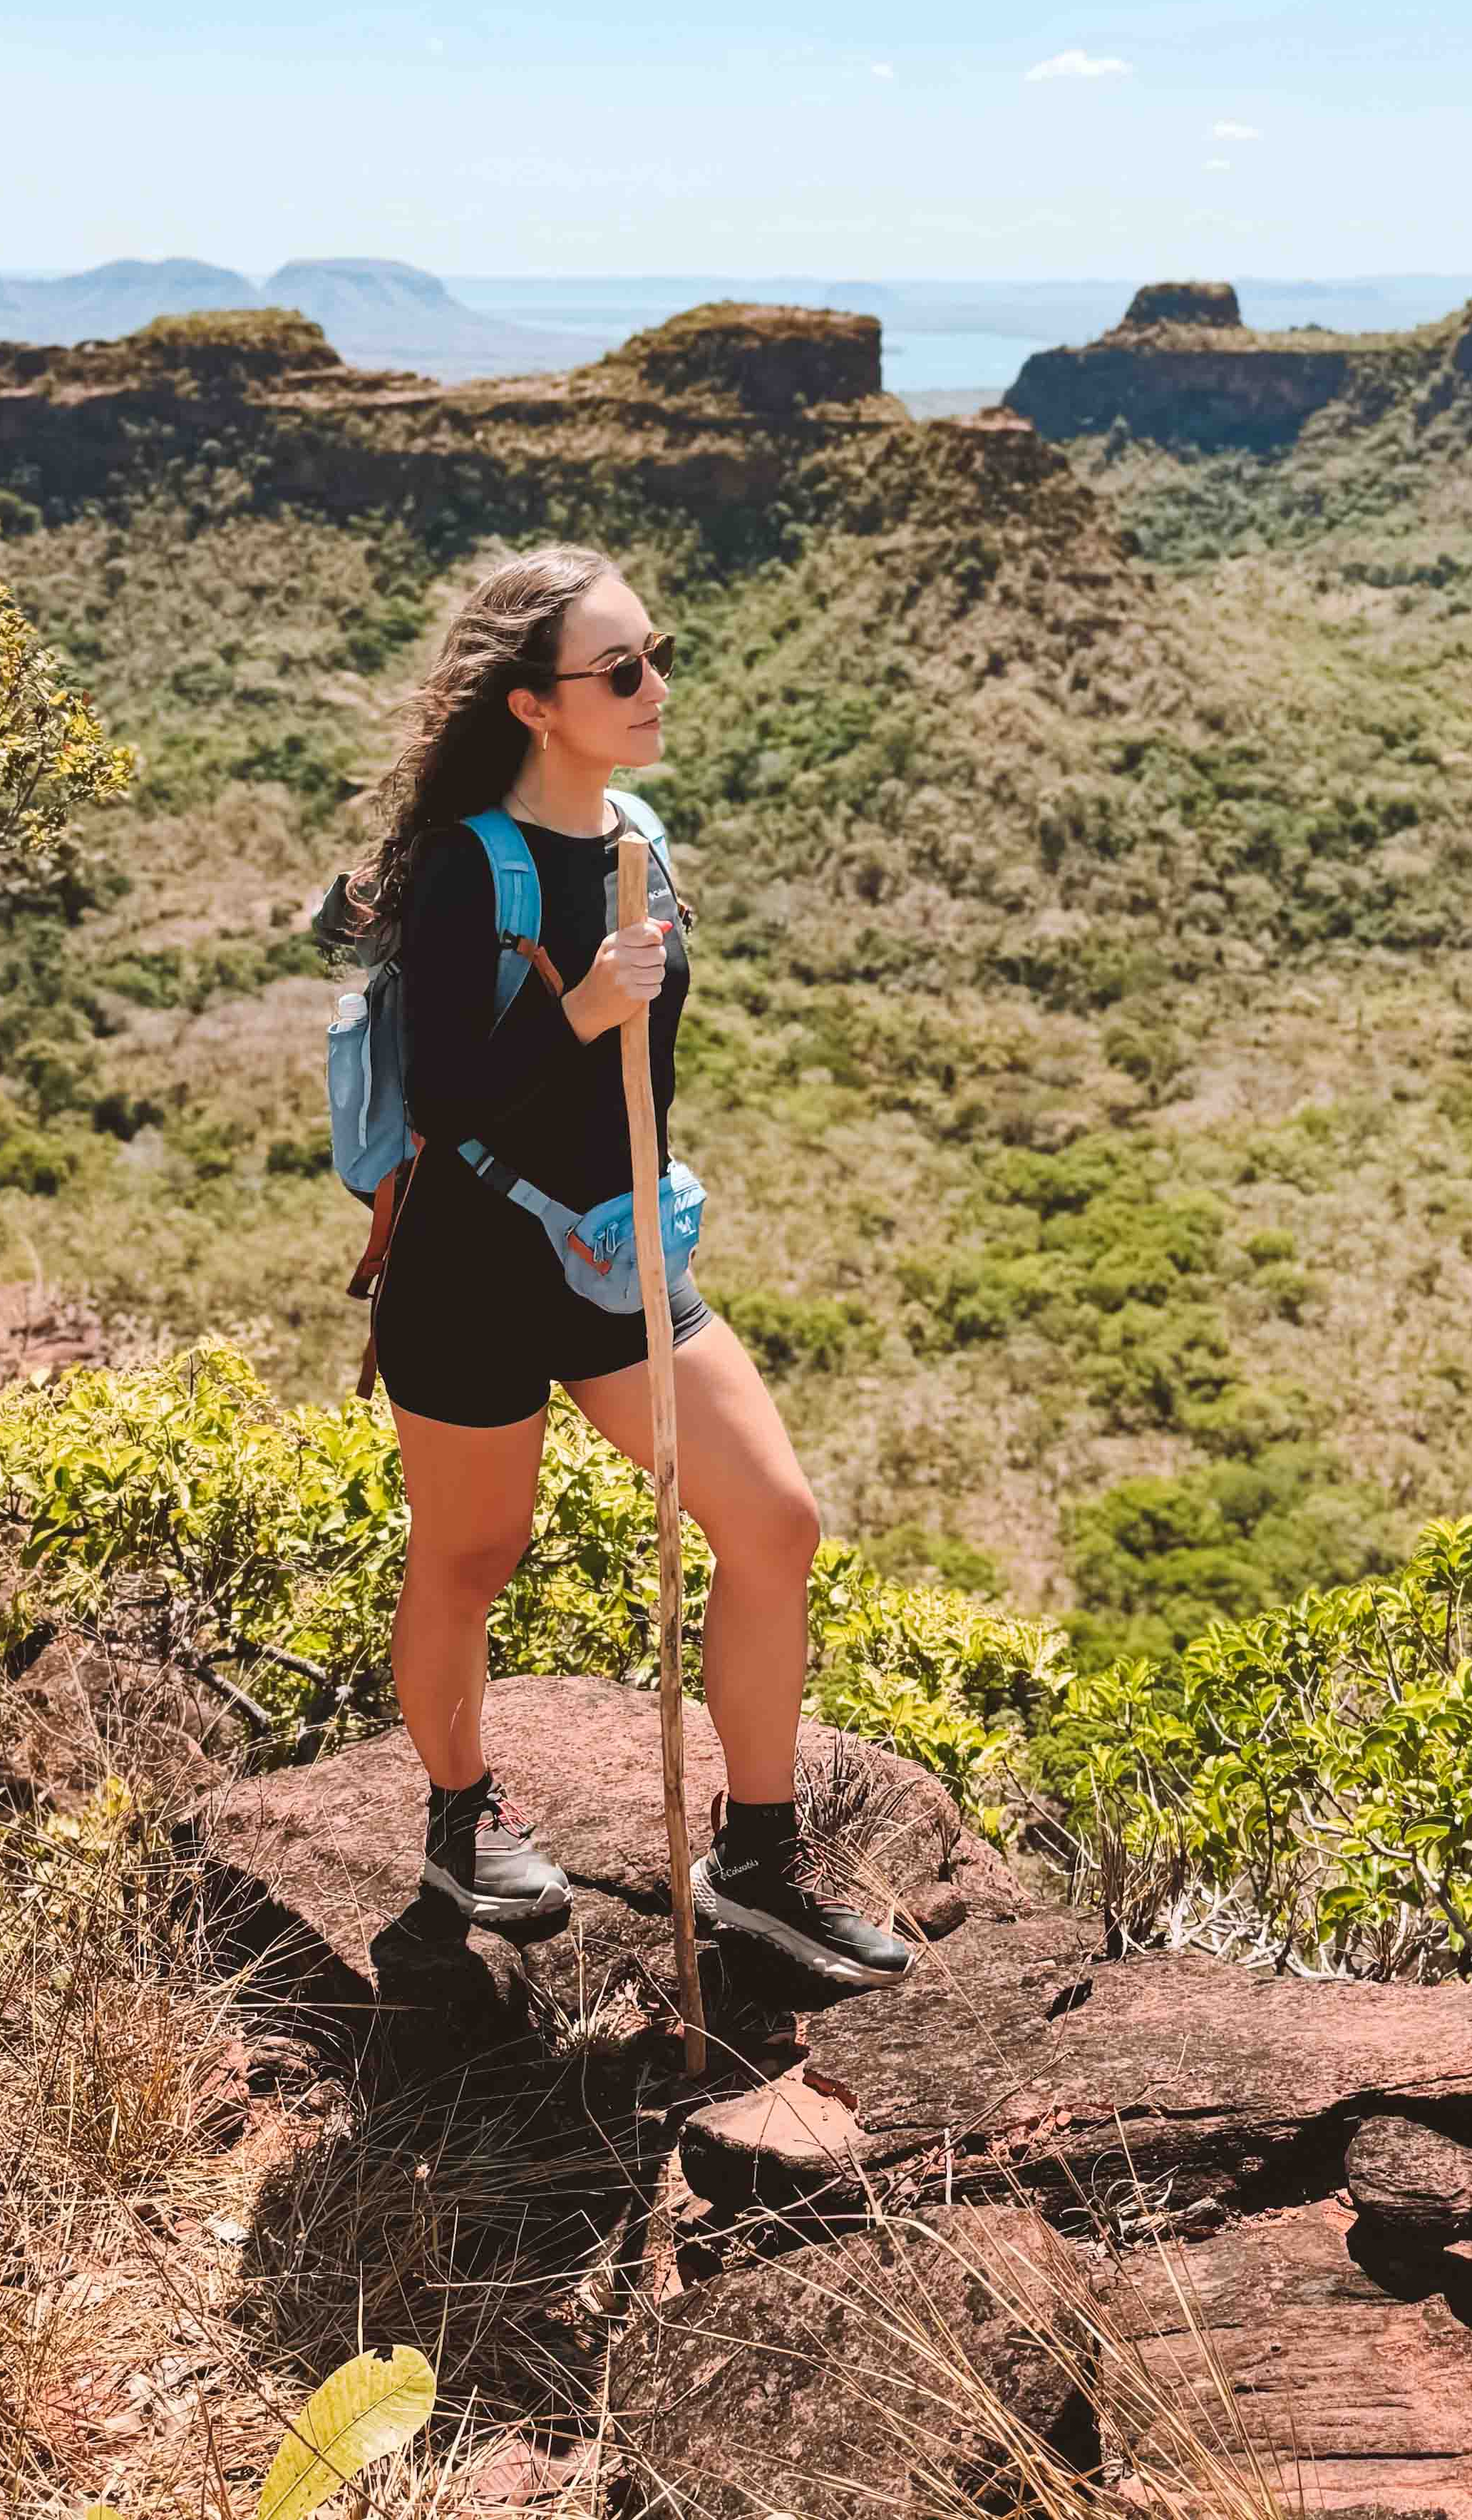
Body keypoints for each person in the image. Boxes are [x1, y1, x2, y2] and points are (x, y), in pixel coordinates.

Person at [344, 541, 912, 1988]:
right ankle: (460, 1819)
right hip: (468, 1267)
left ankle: (757, 1859)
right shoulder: (474, 868)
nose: (652, 685)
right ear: (533, 705)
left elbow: (637, 1077)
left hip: (612, 1264)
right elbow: (457, 1094)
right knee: (472, 1553)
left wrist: (653, 1178)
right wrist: (587, 1003)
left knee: (773, 1520)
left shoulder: (638, 839)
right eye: (619, 669)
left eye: (657, 653)